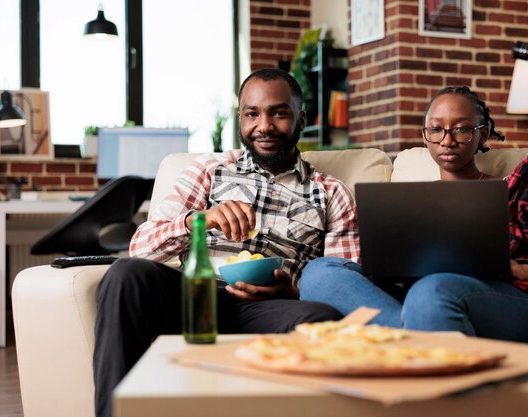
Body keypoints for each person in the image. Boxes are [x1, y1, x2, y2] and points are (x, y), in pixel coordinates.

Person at [93, 68, 359, 417]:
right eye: (252, 114)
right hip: (196, 294)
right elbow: (140, 246)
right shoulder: (209, 170)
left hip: (272, 308)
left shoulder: (330, 192)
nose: (263, 126)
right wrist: (196, 221)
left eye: (278, 113)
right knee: (126, 275)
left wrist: (294, 292)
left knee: (321, 316)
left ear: (301, 119)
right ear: (240, 118)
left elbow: (347, 279)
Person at [299, 85, 528, 349]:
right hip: (421, 299)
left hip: (511, 305)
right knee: (320, 273)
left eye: (462, 129)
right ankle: (417, 337)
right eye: (436, 129)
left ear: (483, 132)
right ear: (426, 135)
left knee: (433, 290)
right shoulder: (410, 205)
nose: (447, 140)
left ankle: (406, 343)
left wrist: (522, 269)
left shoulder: (526, 187)